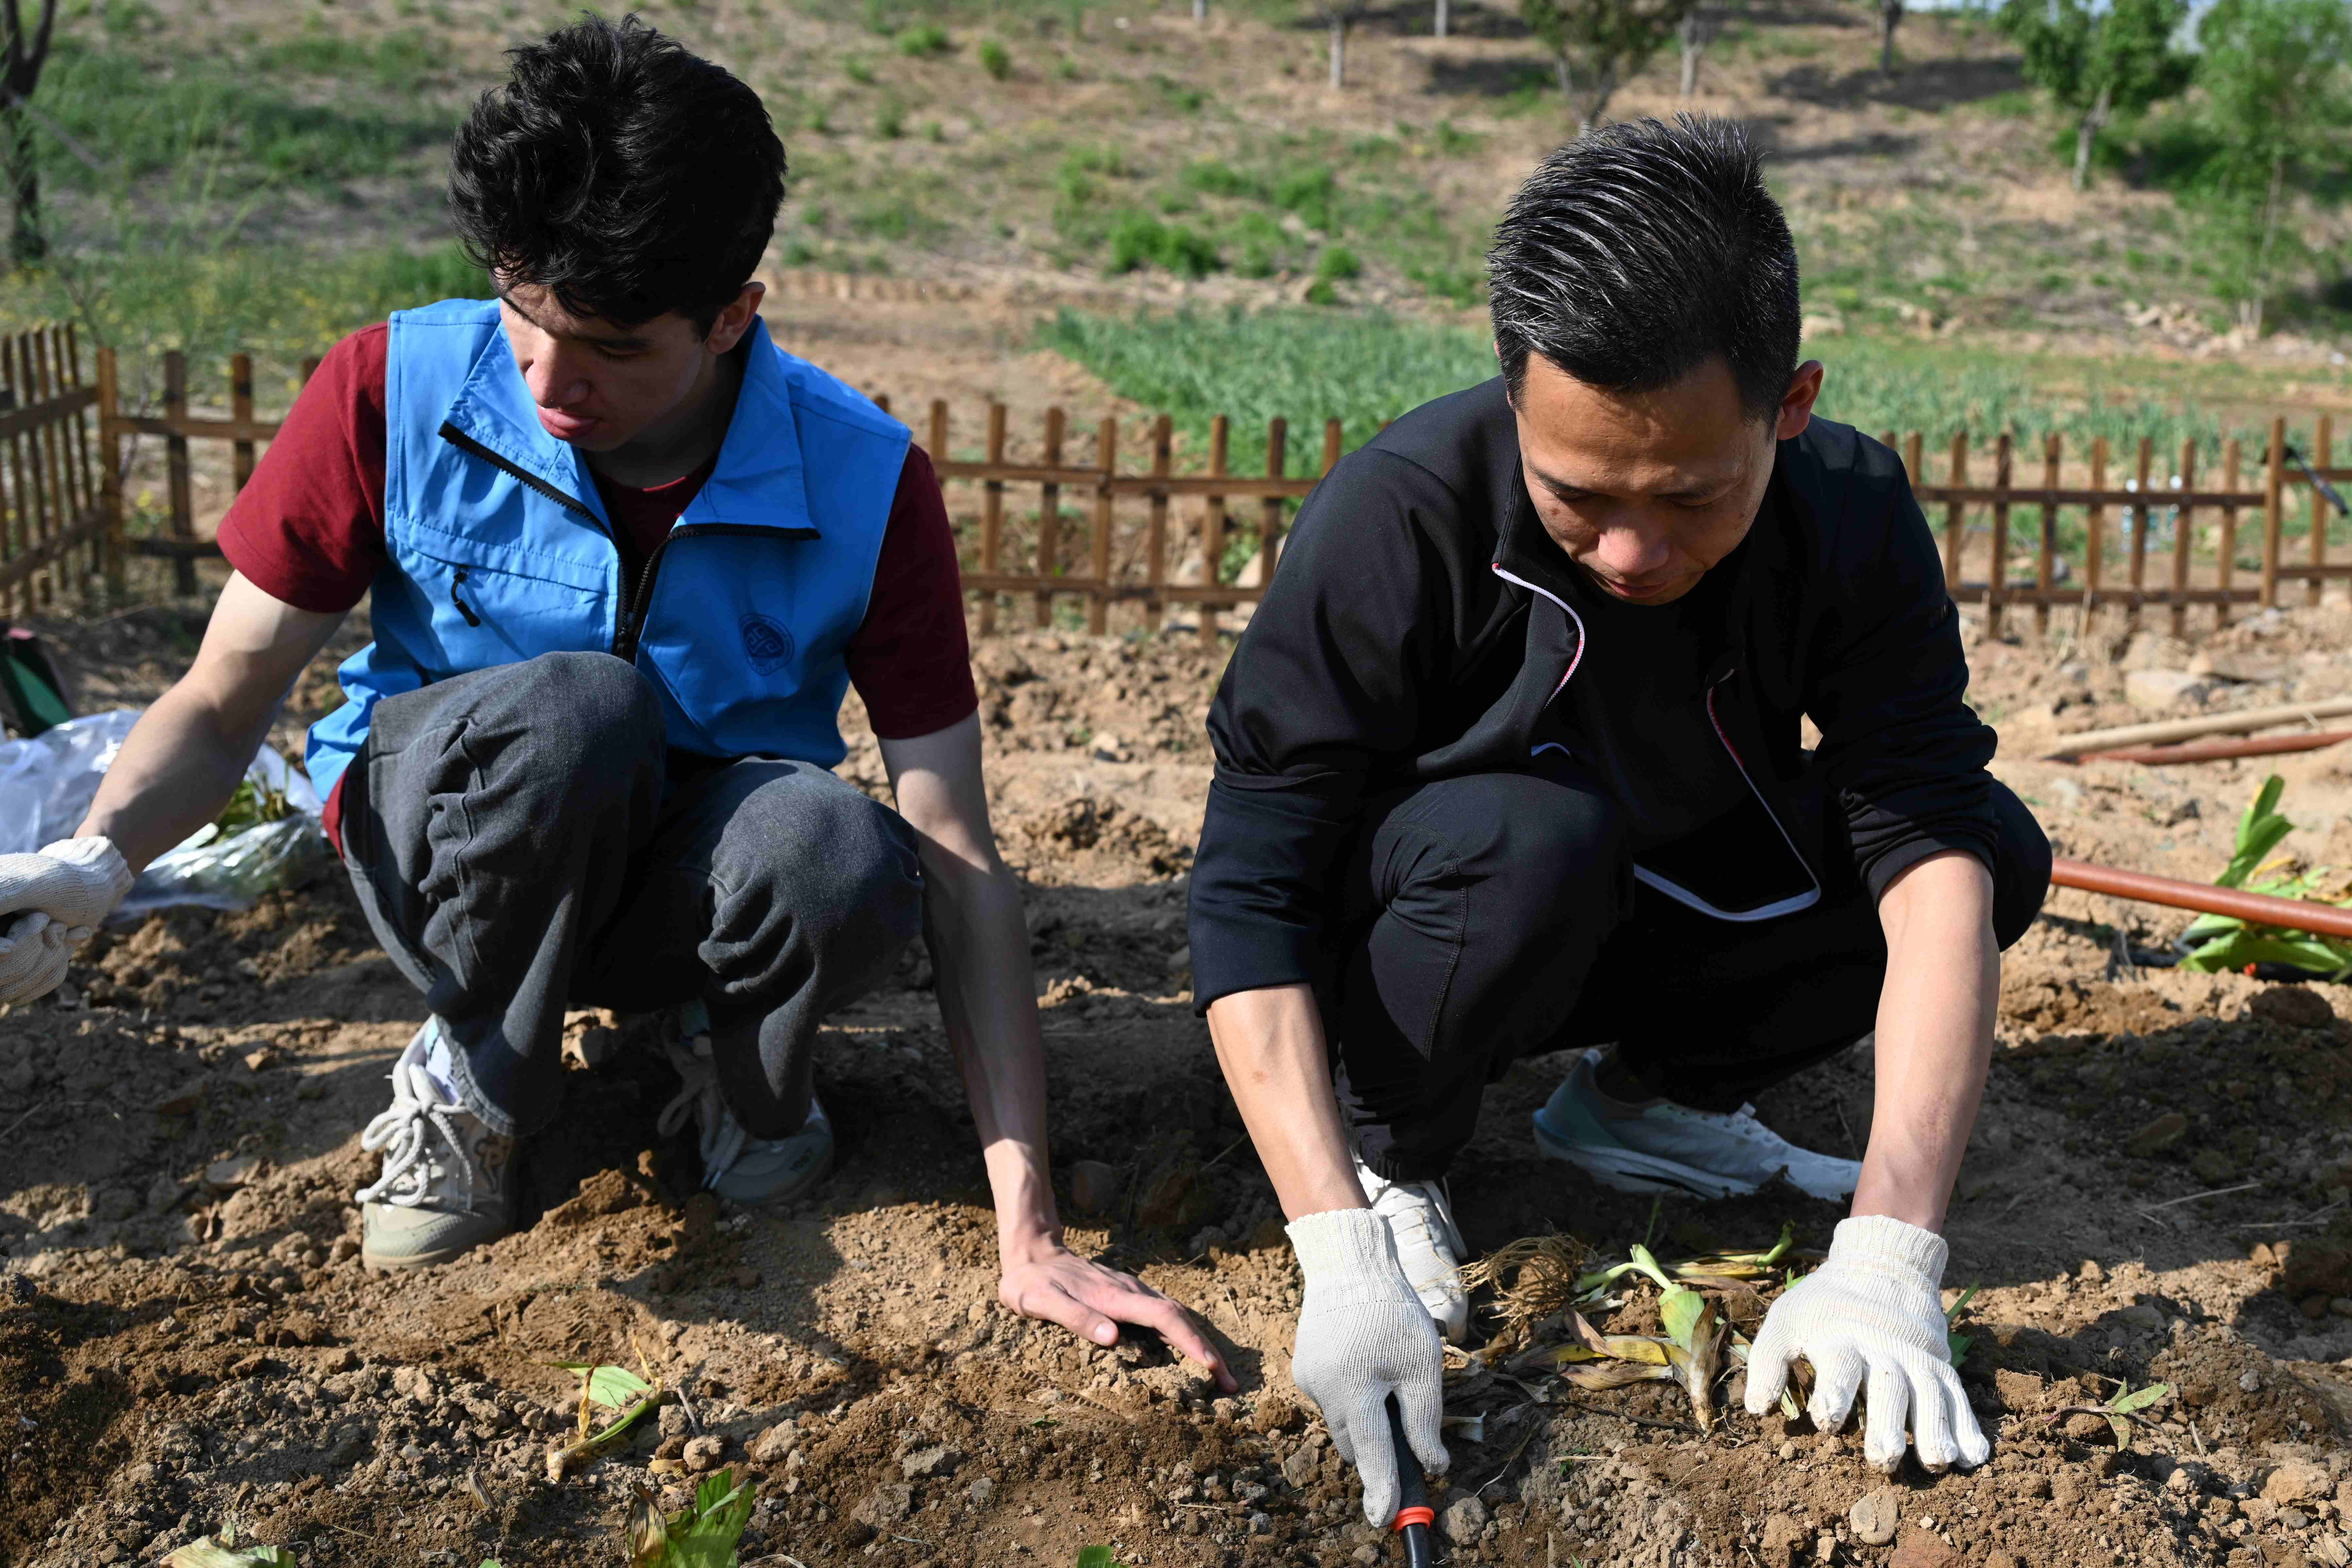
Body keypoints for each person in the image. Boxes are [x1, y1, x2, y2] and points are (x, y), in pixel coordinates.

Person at [0, 14, 1232, 1391]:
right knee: (579, 713)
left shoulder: (864, 480)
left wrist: (1030, 1227)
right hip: (448, 851)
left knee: (831, 843)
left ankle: (734, 1070)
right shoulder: (389, 386)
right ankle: (476, 1081)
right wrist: (98, 859)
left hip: (679, 891)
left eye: (606, 346)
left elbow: (957, 847)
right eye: (521, 314)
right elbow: (224, 698)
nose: (545, 377)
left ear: (730, 315)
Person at [1189, 115, 2049, 1522]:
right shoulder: (1402, 515)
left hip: (1654, 892)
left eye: (1690, 495)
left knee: (1985, 846)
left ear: (1789, 404)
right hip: (1434, 926)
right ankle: (1392, 1146)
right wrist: (1334, 1238)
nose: (1633, 552)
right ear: (1515, 395)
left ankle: (1646, 1101)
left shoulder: (1849, 510)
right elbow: (1246, 888)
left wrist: (1891, 1249)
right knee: (1530, 841)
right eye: (1577, 497)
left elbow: (1922, 834)